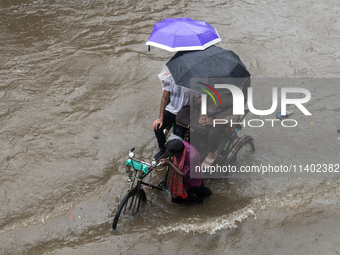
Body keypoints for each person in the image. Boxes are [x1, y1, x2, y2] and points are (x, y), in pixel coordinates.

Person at [158, 135, 212, 203]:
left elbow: (185, 175)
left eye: (169, 152)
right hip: (183, 171)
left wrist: (169, 163)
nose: (166, 152)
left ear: (177, 154)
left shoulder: (191, 157)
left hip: (191, 179)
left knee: (191, 197)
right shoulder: (179, 144)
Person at [152, 65, 190, 160]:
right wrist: (160, 118)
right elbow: (165, 98)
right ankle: (163, 150)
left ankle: (178, 156)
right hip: (172, 109)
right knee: (157, 127)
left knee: (177, 136)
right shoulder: (169, 78)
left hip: (185, 112)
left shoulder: (194, 82)